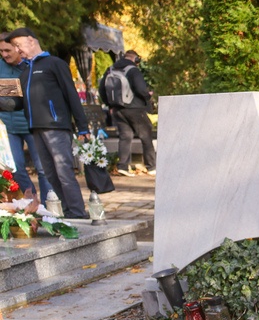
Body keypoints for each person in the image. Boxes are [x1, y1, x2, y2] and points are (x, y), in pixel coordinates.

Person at [6, 28, 90, 218]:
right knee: (50, 174)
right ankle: (67, 212)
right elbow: (18, 102)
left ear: (31, 41)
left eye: (18, 45)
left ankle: (78, 212)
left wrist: (82, 126)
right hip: (35, 128)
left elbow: (71, 94)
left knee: (63, 171)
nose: (17, 50)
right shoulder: (25, 72)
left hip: (56, 126)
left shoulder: (54, 64)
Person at [0, 35, 45, 200]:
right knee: (15, 169)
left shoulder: (31, 65)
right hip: (8, 128)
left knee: (42, 168)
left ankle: (50, 203)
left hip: (32, 125)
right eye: (1, 51)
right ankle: (31, 202)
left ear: (17, 48)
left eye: (7, 50)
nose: (4, 54)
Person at [100, 49, 156, 176]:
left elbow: (101, 89)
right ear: (135, 59)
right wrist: (148, 95)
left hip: (117, 109)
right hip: (135, 108)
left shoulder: (110, 70)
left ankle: (123, 166)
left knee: (125, 136)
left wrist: (110, 104)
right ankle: (151, 166)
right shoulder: (133, 70)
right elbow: (141, 89)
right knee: (146, 135)